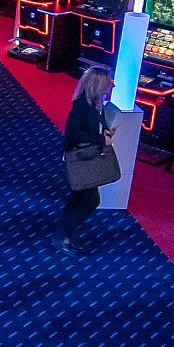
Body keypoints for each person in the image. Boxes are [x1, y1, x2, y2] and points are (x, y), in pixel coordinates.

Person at [56, 66, 117, 255]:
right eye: (108, 82)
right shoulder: (82, 104)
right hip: (79, 158)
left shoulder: (97, 104)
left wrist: (105, 133)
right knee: (91, 199)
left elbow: (95, 127)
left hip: (88, 158)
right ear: (97, 84)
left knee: (78, 196)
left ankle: (66, 234)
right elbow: (73, 132)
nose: (112, 85)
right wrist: (100, 139)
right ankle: (62, 234)